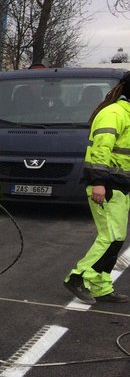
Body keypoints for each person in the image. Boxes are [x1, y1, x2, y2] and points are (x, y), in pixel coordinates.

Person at [63, 74, 130, 304]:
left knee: (116, 237)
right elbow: (100, 151)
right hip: (108, 185)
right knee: (111, 236)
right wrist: (99, 182)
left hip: (120, 186)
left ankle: (101, 286)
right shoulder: (114, 114)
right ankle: (79, 276)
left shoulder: (124, 114)